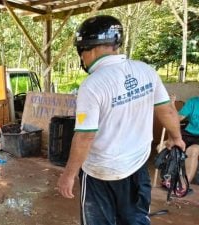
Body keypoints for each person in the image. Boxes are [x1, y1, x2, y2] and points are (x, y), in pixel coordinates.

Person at [57, 15, 185, 225]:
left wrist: (68, 175)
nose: (82, 59)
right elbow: (168, 110)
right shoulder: (145, 70)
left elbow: (85, 136)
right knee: (135, 220)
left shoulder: (92, 84)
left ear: (89, 49)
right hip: (137, 167)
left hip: (100, 173)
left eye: (81, 52)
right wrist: (176, 138)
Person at [172, 94, 199, 185]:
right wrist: (172, 104)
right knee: (164, 147)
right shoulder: (193, 102)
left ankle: (183, 185)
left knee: (193, 150)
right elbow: (177, 119)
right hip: (188, 134)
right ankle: (169, 178)